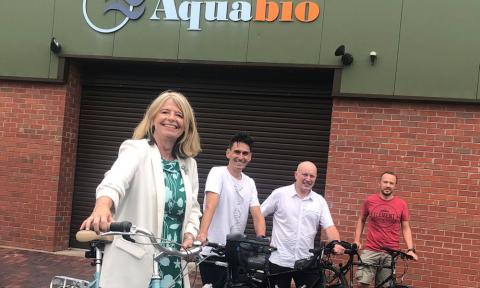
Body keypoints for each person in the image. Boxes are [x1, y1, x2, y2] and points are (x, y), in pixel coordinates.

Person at [80, 90, 202, 288]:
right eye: (165, 112)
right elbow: (115, 179)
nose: (172, 118)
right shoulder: (136, 150)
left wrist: (190, 232)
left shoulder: (189, 164)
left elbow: (194, 208)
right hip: (135, 261)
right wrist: (103, 205)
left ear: (186, 125)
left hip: (173, 262)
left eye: (179, 115)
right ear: (152, 118)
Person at [197, 131, 266, 288]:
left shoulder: (250, 182)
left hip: (236, 253)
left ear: (250, 157)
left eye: (245, 153)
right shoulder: (217, 173)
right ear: (228, 153)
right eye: (237, 152)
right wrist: (202, 234)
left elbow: (257, 214)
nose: (240, 157)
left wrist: (261, 240)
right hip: (213, 250)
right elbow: (210, 205)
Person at [261, 161, 345, 288]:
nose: (308, 179)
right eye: (305, 174)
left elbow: (329, 226)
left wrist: (336, 243)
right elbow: (259, 214)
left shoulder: (319, 201)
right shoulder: (280, 194)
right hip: (280, 259)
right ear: (296, 175)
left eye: (312, 176)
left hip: (306, 261)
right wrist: (262, 236)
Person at [353, 171, 419, 287]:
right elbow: (361, 220)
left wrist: (410, 249)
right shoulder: (370, 200)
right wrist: (357, 240)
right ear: (380, 183)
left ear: (395, 186)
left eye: (391, 183)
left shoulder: (401, 204)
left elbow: (406, 227)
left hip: (390, 253)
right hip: (371, 250)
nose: (388, 185)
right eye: (385, 182)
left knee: (385, 286)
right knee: (362, 284)